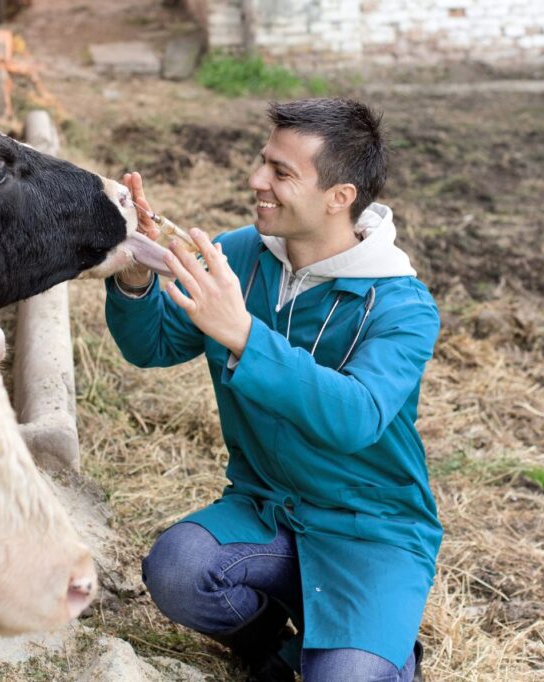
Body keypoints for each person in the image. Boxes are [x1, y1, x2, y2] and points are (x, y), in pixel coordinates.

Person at [105, 98, 440, 682]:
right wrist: (136, 272)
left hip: (369, 530)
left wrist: (243, 336)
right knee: (177, 570)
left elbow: (356, 416)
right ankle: (271, 650)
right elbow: (151, 346)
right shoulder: (241, 256)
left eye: (281, 172)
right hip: (266, 508)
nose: (256, 179)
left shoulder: (402, 306)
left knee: (347, 677)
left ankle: (378, 651)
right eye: (263, 161)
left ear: (340, 196)